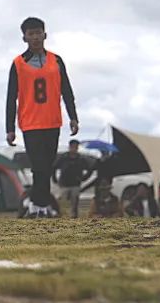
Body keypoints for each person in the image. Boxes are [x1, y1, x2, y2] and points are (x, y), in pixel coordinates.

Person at [5, 17, 81, 218]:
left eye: (38, 32)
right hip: (30, 123)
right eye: (31, 34)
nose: (36, 37)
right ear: (24, 38)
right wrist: (9, 128)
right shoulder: (18, 64)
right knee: (39, 166)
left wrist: (73, 117)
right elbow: (11, 97)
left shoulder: (56, 61)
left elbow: (66, 91)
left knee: (47, 166)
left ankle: (37, 204)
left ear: (45, 35)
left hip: (52, 121)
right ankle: (40, 205)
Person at [53, 138, 94, 218]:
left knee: (74, 203)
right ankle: (63, 217)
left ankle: (74, 218)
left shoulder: (81, 158)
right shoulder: (63, 157)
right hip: (64, 183)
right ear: (69, 147)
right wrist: (54, 178)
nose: (74, 149)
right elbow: (54, 167)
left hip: (75, 184)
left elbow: (90, 168)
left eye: (76, 147)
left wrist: (84, 178)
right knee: (63, 203)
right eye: (72, 147)